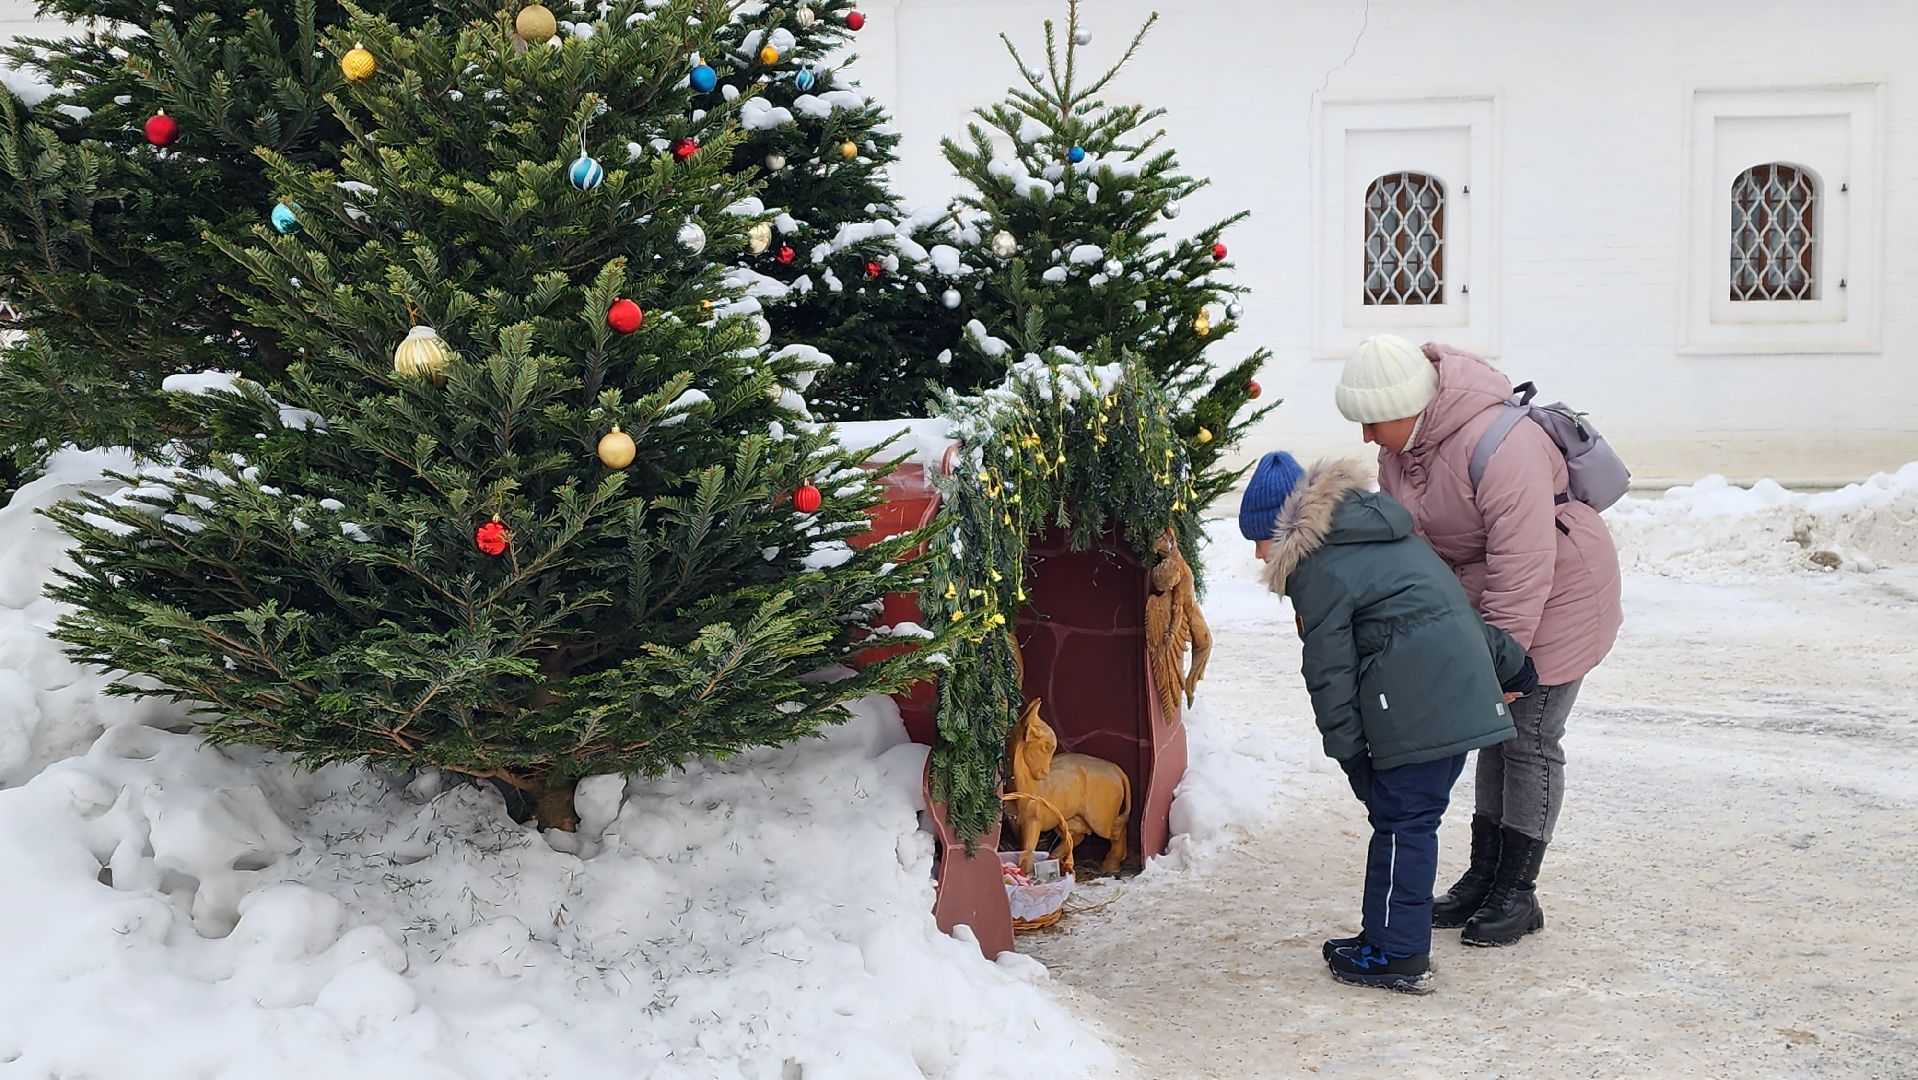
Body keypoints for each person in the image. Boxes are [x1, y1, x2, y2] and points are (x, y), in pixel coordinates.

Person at [1334, 334, 1623, 947]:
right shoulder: (1402, 451)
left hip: (1559, 595)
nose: (1365, 438)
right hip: (1486, 604)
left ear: (1406, 405)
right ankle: (1483, 877)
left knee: (1530, 737)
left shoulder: (1501, 444)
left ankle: (1518, 891)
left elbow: (1523, 565)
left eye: (1371, 421)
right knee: (1492, 732)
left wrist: (1502, 660)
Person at [1239, 451, 1537, 994]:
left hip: (1422, 711)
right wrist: (1515, 662)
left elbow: (1328, 675)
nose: (1259, 554)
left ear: (1287, 528)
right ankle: (1382, 938)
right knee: (1405, 821)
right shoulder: (1388, 539)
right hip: (1451, 698)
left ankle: (1400, 955)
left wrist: (1351, 755)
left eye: (1260, 538)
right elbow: (1449, 613)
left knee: (1404, 824)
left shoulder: (1318, 571)